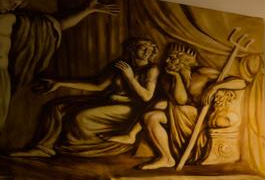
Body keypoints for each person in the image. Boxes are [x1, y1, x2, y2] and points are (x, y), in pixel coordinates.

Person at [0, 0, 119, 137]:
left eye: (16, 5)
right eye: (10, 2)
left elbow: (55, 25)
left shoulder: (11, 19)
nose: (13, 7)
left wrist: (87, 10)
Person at [11, 37, 159, 157]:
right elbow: (98, 86)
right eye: (143, 48)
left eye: (150, 49)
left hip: (130, 108)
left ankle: (80, 147)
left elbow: (146, 97)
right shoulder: (121, 65)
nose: (147, 52)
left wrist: (130, 78)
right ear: (132, 48)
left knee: (81, 117)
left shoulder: (151, 70)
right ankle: (43, 148)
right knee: (57, 107)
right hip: (109, 101)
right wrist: (60, 83)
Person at [141, 42, 245, 170]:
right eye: (167, 58)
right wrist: (177, 77)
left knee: (178, 108)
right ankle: (166, 158)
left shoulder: (202, 73)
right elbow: (181, 100)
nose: (167, 61)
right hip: (179, 117)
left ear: (184, 61)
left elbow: (241, 82)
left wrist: (215, 86)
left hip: (200, 121)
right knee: (150, 117)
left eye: (172, 58)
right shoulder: (168, 79)